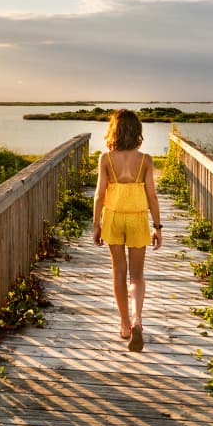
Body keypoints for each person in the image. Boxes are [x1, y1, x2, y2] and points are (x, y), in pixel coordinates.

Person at [92, 108, 163, 351]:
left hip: (113, 218)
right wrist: (158, 226)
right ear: (137, 132)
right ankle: (137, 319)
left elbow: (100, 195)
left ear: (114, 130)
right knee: (137, 275)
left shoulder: (105, 159)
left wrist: (96, 224)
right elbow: (152, 196)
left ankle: (123, 324)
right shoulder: (145, 160)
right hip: (137, 219)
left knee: (118, 271)